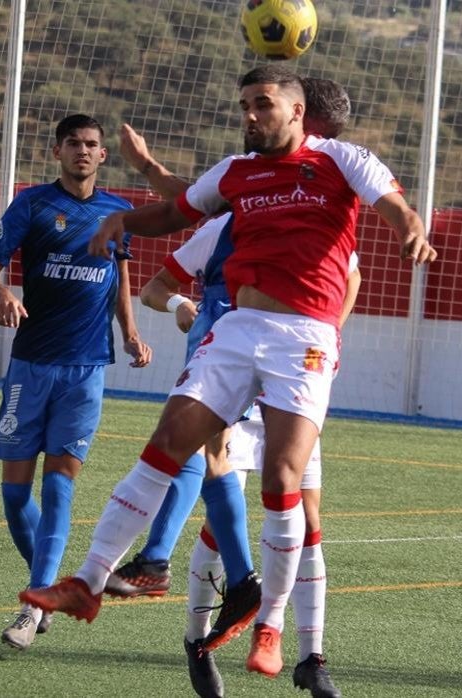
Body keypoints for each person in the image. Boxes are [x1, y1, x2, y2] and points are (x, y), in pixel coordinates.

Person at [21, 65, 436, 681]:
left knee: (281, 477)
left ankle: (270, 625)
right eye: (244, 104)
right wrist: (123, 221)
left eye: (262, 104)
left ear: (296, 111)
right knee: (166, 446)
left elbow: (393, 205)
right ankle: (88, 581)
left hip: (306, 337)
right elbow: (176, 212)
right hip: (239, 329)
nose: (250, 114)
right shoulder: (236, 173)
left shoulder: (343, 159)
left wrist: (409, 228)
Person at [111, 77, 357, 698]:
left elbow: (348, 283)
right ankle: (199, 638)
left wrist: (322, 346)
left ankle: (309, 652)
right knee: (220, 512)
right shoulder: (231, 212)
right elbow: (178, 223)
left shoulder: (326, 209)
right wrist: (184, 307)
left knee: (306, 511)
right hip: (227, 369)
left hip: (295, 370)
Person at [0, 113, 152, 650]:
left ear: (103, 155)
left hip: (86, 369)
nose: (83, 151)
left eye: (92, 145)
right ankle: (54, 586)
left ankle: (31, 609)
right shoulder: (31, 204)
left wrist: (130, 332)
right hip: (29, 365)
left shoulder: (118, 213)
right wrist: (3, 294)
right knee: (12, 495)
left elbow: (119, 276)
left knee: (58, 487)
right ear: (57, 151)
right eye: (73, 143)